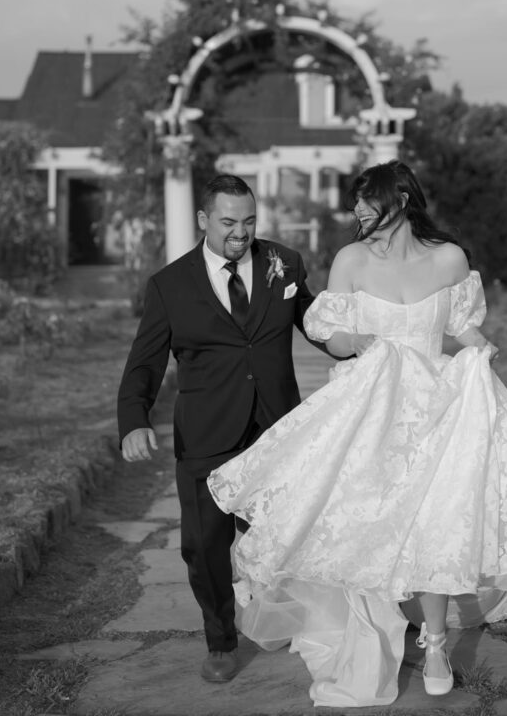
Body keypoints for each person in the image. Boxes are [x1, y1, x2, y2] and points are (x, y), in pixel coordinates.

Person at [207, 160, 507, 707]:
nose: (357, 209)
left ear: (402, 198)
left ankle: (434, 644)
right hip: (374, 409)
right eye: (355, 200)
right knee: (367, 522)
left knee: (435, 523)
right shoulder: (351, 260)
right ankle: (368, 647)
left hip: (437, 408)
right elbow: (332, 335)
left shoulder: (449, 258)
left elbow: (459, 325)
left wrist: (481, 347)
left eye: (368, 199)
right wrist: (360, 341)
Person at [117, 173, 319, 684]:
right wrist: (133, 420)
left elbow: (317, 324)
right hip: (206, 432)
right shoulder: (169, 286)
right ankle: (221, 641)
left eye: (250, 221)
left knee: (280, 534)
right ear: (204, 220)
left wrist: (370, 347)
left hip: (275, 428)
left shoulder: (285, 264)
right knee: (205, 547)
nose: (242, 232)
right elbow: (144, 363)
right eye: (229, 222)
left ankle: (286, 618)